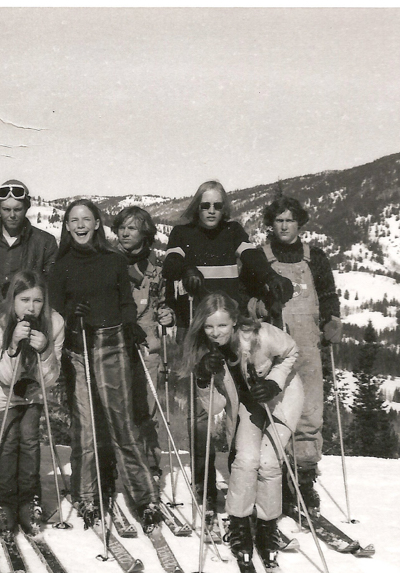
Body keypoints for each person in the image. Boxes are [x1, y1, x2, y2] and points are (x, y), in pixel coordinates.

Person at [162, 180, 293, 521]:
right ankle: (205, 488)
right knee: (203, 411)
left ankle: (241, 481)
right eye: (205, 205)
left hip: (230, 330)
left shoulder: (233, 231)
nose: (211, 211)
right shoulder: (183, 234)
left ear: (225, 208)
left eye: (217, 205)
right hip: (195, 327)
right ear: (196, 206)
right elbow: (171, 265)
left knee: (239, 404)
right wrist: (185, 269)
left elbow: (251, 257)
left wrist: (270, 276)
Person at [48, 199, 162, 530]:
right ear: (67, 226)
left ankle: (145, 497)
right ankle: (86, 494)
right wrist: (71, 316)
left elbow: (126, 303)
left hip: (112, 345)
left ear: (97, 223)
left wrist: (129, 325)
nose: (80, 225)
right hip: (78, 348)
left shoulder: (113, 261)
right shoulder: (61, 266)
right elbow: (54, 312)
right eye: (74, 220)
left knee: (122, 423)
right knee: (85, 426)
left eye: (87, 219)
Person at [180, 292, 304, 570]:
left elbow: (293, 351)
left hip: (282, 397)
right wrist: (202, 379)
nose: (215, 333)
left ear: (235, 322)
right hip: (249, 404)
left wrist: (274, 382)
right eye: (209, 326)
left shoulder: (260, 335)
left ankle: (267, 526)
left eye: (222, 325)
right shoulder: (205, 351)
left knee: (270, 462)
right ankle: (238, 525)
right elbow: (215, 407)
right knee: (246, 460)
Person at [0, 179, 58, 492]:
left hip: (26, 330)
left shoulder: (43, 242)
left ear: (27, 207)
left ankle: (19, 489)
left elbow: (48, 287)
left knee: (23, 419)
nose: (12, 215)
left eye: (18, 209)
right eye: (6, 209)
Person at [259, 195, 342, 516]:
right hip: (273, 346)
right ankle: (274, 478)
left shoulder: (315, 258)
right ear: (271, 222)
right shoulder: (260, 257)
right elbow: (248, 296)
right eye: (278, 220)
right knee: (275, 411)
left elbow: (328, 295)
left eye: (290, 220)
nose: (284, 225)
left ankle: (304, 481)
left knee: (309, 414)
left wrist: (332, 320)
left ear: (299, 223)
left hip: (308, 345)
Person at [0, 270, 65, 537]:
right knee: (7, 441)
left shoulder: (54, 322)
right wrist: (15, 345)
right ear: (13, 299)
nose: (31, 307)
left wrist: (45, 352)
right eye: (24, 299)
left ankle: (29, 501)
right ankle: (2, 502)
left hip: (33, 389)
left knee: (29, 441)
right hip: (2, 392)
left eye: (37, 301)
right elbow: (4, 376)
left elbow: (51, 378)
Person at [111, 206, 175, 478]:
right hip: (114, 341)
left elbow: (165, 305)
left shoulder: (156, 272)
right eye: (122, 227)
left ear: (145, 233)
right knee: (114, 406)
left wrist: (167, 315)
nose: (125, 232)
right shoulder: (107, 264)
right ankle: (114, 463)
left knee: (146, 407)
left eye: (132, 227)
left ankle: (149, 463)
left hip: (146, 344)